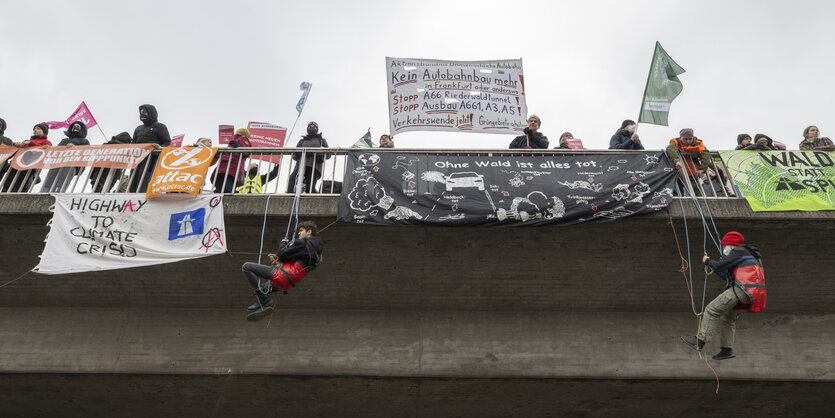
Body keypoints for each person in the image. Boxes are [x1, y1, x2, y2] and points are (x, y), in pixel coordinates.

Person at [681, 231, 766, 360]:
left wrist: (707, 260)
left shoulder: (739, 251)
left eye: (725, 246)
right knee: (728, 318)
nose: (724, 249)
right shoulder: (749, 254)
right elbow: (727, 275)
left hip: (742, 289)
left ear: (731, 245)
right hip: (750, 293)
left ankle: (699, 341)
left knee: (711, 310)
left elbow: (720, 265)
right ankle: (727, 350)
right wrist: (714, 266)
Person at [241, 221, 325, 321]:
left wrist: (283, 243)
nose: (298, 233)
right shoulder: (316, 254)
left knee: (246, 267)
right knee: (263, 288)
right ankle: (264, 302)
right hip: (289, 283)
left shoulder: (303, 243)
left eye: (301, 231)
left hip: (283, 276)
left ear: (309, 231)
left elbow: (282, 254)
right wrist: (277, 262)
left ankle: (264, 300)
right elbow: (291, 262)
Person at [128, 104, 171, 193]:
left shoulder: (160, 126)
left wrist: (160, 147)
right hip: (137, 160)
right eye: (140, 112)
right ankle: (131, 196)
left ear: (150, 113)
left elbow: (167, 142)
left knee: (145, 180)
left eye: (144, 112)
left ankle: (144, 196)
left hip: (151, 160)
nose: (141, 114)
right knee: (133, 180)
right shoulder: (138, 128)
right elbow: (133, 143)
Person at [40, 121, 91, 193]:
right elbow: (56, 151)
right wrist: (49, 148)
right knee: (48, 184)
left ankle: (57, 197)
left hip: (71, 165)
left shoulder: (84, 141)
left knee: (61, 185)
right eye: (74, 126)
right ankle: (43, 196)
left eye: (78, 126)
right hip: (57, 164)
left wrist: (74, 148)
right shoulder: (64, 140)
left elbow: (86, 153)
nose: (75, 127)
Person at [1, 123, 52, 193]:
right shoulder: (27, 141)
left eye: (38, 129)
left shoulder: (46, 142)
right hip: (17, 165)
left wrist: (30, 143)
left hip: (30, 167)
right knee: (8, 184)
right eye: (34, 129)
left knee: (21, 186)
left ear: (44, 132)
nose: (35, 130)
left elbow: (46, 151)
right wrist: (16, 145)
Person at [286, 121, 330, 193]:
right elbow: (294, 156)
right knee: (291, 181)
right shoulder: (302, 141)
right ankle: (290, 199)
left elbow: (328, 155)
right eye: (310, 126)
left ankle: (317, 199)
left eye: (313, 126)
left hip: (314, 166)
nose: (311, 127)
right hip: (300, 165)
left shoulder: (321, 140)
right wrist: (299, 153)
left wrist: (322, 151)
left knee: (310, 189)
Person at [666, 128, 715, 192]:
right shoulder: (675, 142)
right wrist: (677, 161)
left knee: (697, 192)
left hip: (692, 173)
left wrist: (702, 169)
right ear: (680, 137)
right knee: (678, 193)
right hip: (678, 172)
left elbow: (705, 153)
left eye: (690, 139)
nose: (688, 141)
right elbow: (670, 149)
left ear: (693, 137)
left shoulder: (698, 143)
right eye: (685, 139)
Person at [214, 128, 252, 194]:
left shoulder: (241, 138)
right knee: (227, 186)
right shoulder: (240, 139)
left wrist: (238, 147)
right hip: (231, 165)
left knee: (221, 187)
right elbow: (246, 152)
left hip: (228, 165)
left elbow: (246, 152)